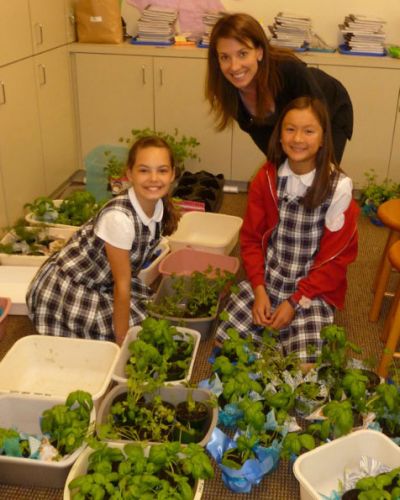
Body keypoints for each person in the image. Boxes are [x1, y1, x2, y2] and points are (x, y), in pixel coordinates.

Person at [215, 96, 359, 362]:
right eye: (290, 129)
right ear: (279, 135)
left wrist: (294, 302)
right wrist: (259, 289)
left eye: (309, 131)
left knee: (306, 360)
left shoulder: (339, 188)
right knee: (229, 342)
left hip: (312, 289)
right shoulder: (267, 178)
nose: (298, 139)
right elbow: (250, 240)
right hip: (272, 277)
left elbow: (336, 260)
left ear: (323, 137)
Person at [26, 136, 179, 345]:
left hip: (103, 282)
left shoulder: (158, 206)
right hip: (69, 287)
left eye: (162, 170)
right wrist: (121, 341)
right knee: (140, 329)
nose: (154, 178)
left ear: (173, 175)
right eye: (144, 170)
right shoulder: (119, 219)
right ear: (129, 174)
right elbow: (122, 285)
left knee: (155, 312)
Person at [206, 12, 353, 164]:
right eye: (225, 57)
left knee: (320, 173)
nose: (234, 66)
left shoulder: (288, 69)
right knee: (283, 168)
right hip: (287, 123)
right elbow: (271, 150)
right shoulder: (227, 91)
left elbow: (317, 123)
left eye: (242, 54)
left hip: (329, 108)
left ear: (259, 52)